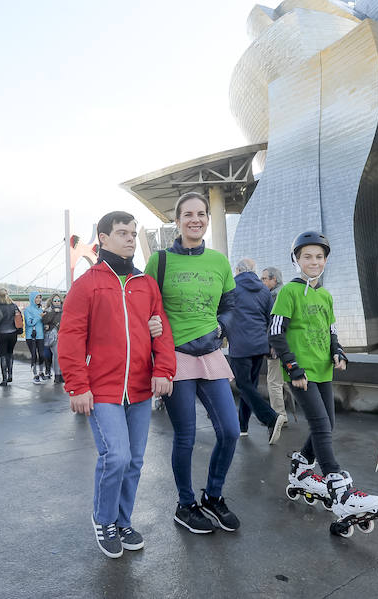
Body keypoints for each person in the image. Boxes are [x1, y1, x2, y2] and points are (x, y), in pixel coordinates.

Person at [58, 210, 176, 558]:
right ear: (103, 239)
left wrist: (164, 370)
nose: (129, 238)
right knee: (117, 456)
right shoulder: (88, 284)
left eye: (133, 232)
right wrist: (77, 386)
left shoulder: (145, 283)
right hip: (102, 389)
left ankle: (123, 521)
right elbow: (70, 337)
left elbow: (161, 330)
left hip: (140, 387)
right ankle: (104, 518)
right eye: (122, 232)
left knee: (135, 460)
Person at [144, 191, 241, 535]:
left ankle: (213, 496)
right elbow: (146, 306)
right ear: (178, 220)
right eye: (188, 214)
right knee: (184, 436)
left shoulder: (218, 261)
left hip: (211, 354)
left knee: (230, 431)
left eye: (201, 213)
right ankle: (186, 505)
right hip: (175, 357)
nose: (195, 219)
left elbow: (231, 305)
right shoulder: (160, 261)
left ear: (207, 219)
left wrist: (221, 326)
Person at [269, 231, 378, 523]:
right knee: (320, 424)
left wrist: (339, 351)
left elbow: (331, 331)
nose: (314, 262)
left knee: (328, 422)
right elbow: (276, 332)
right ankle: (337, 484)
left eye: (319, 257)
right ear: (296, 259)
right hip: (302, 372)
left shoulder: (325, 294)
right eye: (307, 256)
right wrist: (292, 366)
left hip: (323, 369)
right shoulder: (289, 291)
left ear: (325, 261)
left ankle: (302, 466)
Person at [220, 258, 286, 441]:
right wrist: (271, 343)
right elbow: (271, 319)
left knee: (243, 385)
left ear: (238, 270)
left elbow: (222, 312)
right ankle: (243, 426)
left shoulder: (231, 288)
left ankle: (271, 418)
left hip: (240, 346)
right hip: (259, 345)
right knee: (250, 387)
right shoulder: (264, 290)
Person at [261, 266, 288, 421]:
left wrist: (272, 346)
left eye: (264, 278)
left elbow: (273, 325)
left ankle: (279, 416)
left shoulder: (274, 296)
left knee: (274, 382)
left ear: (274, 280)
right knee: (283, 380)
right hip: (288, 346)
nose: (261, 281)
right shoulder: (286, 292)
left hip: (277, 346)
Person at [0, 289, 21, 386]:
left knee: (3, 355)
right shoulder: (13, 305)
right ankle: (10, 374)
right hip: (12, 333)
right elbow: (19, 318)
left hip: (1, 333)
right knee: (10, 353)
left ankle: (4, 379)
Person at [24, 292, 46, 383]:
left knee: (42, 355)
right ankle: (35, 374)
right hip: (31, 336)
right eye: (36, 298)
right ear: (32, 299)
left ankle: (41, 372)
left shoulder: (40, 309)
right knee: (34, 355)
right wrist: (39, 317)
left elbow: (41, 322)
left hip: (41, 336)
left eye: (39, 298)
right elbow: (30, 323)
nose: (38, 299)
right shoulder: (27, 310)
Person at [43, 294, 64, 384]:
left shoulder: (64, 310)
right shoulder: (48, 310)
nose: (57, 302)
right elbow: (45, 321)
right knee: (56, 355)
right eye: (55, 301)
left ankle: (61, 375)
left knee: (61, 356)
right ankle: (57, 375)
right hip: (53, 336)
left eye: (58, 300)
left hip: (62, 335)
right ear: (51, 301)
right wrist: (53, 312)